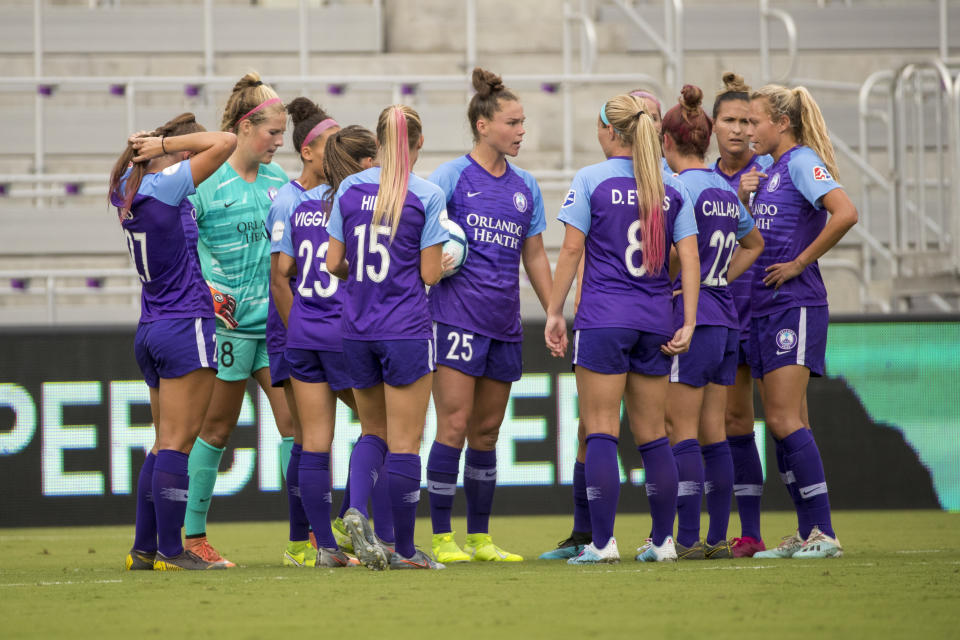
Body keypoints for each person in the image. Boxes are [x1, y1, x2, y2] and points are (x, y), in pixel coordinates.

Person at [544, 94, 700, 564]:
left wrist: (554, 311)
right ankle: (662, 542)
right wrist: (688, 319)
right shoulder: (671, 188)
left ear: (610, 132)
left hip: (604, 319)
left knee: (600, 431)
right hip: (656, 321)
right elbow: (689, 258)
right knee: (654, 435)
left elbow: (571, 251)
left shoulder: (591, 180)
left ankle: (602, 543)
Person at [425, 67, 552, 564]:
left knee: (486, 432)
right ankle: (440, 537)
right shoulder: (451, 177)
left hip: (504, 324)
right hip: (455, 318)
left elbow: (535, 255)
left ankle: (479, 538)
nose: (521, 131)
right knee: (453, 426)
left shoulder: (526, 186)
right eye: (513, 123)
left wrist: (554, 311)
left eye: (523, 123)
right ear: (483, 125)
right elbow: (424, 239)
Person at [326, 105, 449, 570]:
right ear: (416, 146)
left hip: (357, 328)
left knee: (371, 431)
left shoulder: (349, 190)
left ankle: (357, 507)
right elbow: (430, 274)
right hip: (405, 330)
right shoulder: (426, 195)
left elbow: (334, 262)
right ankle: (403, 548)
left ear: (377, 146)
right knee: (406, 442)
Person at [111, 114, 237, 570]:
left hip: (152, 326)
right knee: (179, 445)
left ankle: (145, 549)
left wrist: (153, 146)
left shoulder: (127, 187)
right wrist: (165, 142)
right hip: (185, 327)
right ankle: (170, 549)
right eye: (181, 152)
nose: (188, 156)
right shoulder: (164, 188)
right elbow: (225, 141)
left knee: (162, 442)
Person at [183, 72, 294, 567]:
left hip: (273, 327)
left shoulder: (279, 182)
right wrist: (205, 290)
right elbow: (179, 249)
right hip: (226, 330)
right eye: (273, 133)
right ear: (247, 127)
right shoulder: (204, 180)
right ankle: (192, 537)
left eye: (283, 134)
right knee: (217, 429)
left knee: (295, 426)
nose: (279, 142)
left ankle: (309, 537)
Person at [745, 84, 858, 559]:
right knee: (783, 422)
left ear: (781, 123)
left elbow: (845, 213)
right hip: (766, 309)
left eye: (755, 121)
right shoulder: (770, 172)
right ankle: (808, 531)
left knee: (783, 417)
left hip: (796, 304)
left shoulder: (801, 162)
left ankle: (824, 533)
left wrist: (798, 263)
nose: (749, 130)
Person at [661, 85, 764, 560]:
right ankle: (719, 537)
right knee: (714, 433)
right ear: (705, 139)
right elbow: (754, 244)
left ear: (667, 142)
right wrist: (719, 276)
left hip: (693, 318)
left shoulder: (677, 189)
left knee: (679, 429)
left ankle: (684, 539)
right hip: (726, 320)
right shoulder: (724, 188)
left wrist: (686, 284)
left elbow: (667, 256)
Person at [272, 124, 380, 568]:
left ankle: (326, 551)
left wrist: (299, 323)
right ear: (360, 164)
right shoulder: (356, 207)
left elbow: (283, 269)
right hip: (345, 333)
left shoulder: (301, 208)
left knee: (314, 441)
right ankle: (371, 524)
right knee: (382, 430)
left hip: (302, 333)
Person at [265, 97, 341, 567]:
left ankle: (319, 536)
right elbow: (279, 278)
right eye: (331, 146)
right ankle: (306, 538)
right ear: (308, 151)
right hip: (298, 329)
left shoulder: (340, 194)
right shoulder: (288, 200)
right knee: (304, 433)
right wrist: (302, 331)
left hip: (335, 329)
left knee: (317, 435)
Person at [710, 72, 774, 558]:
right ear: (713, 126)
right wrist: (741, 199)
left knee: (787, 420)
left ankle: (816, 527)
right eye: (729, 120)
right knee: (735, 421)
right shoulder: (706, 181)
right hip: (728, 312)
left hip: (773, 308)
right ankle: (746, 532)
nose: (738, 129)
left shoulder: (777, 169)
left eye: (746, 121)